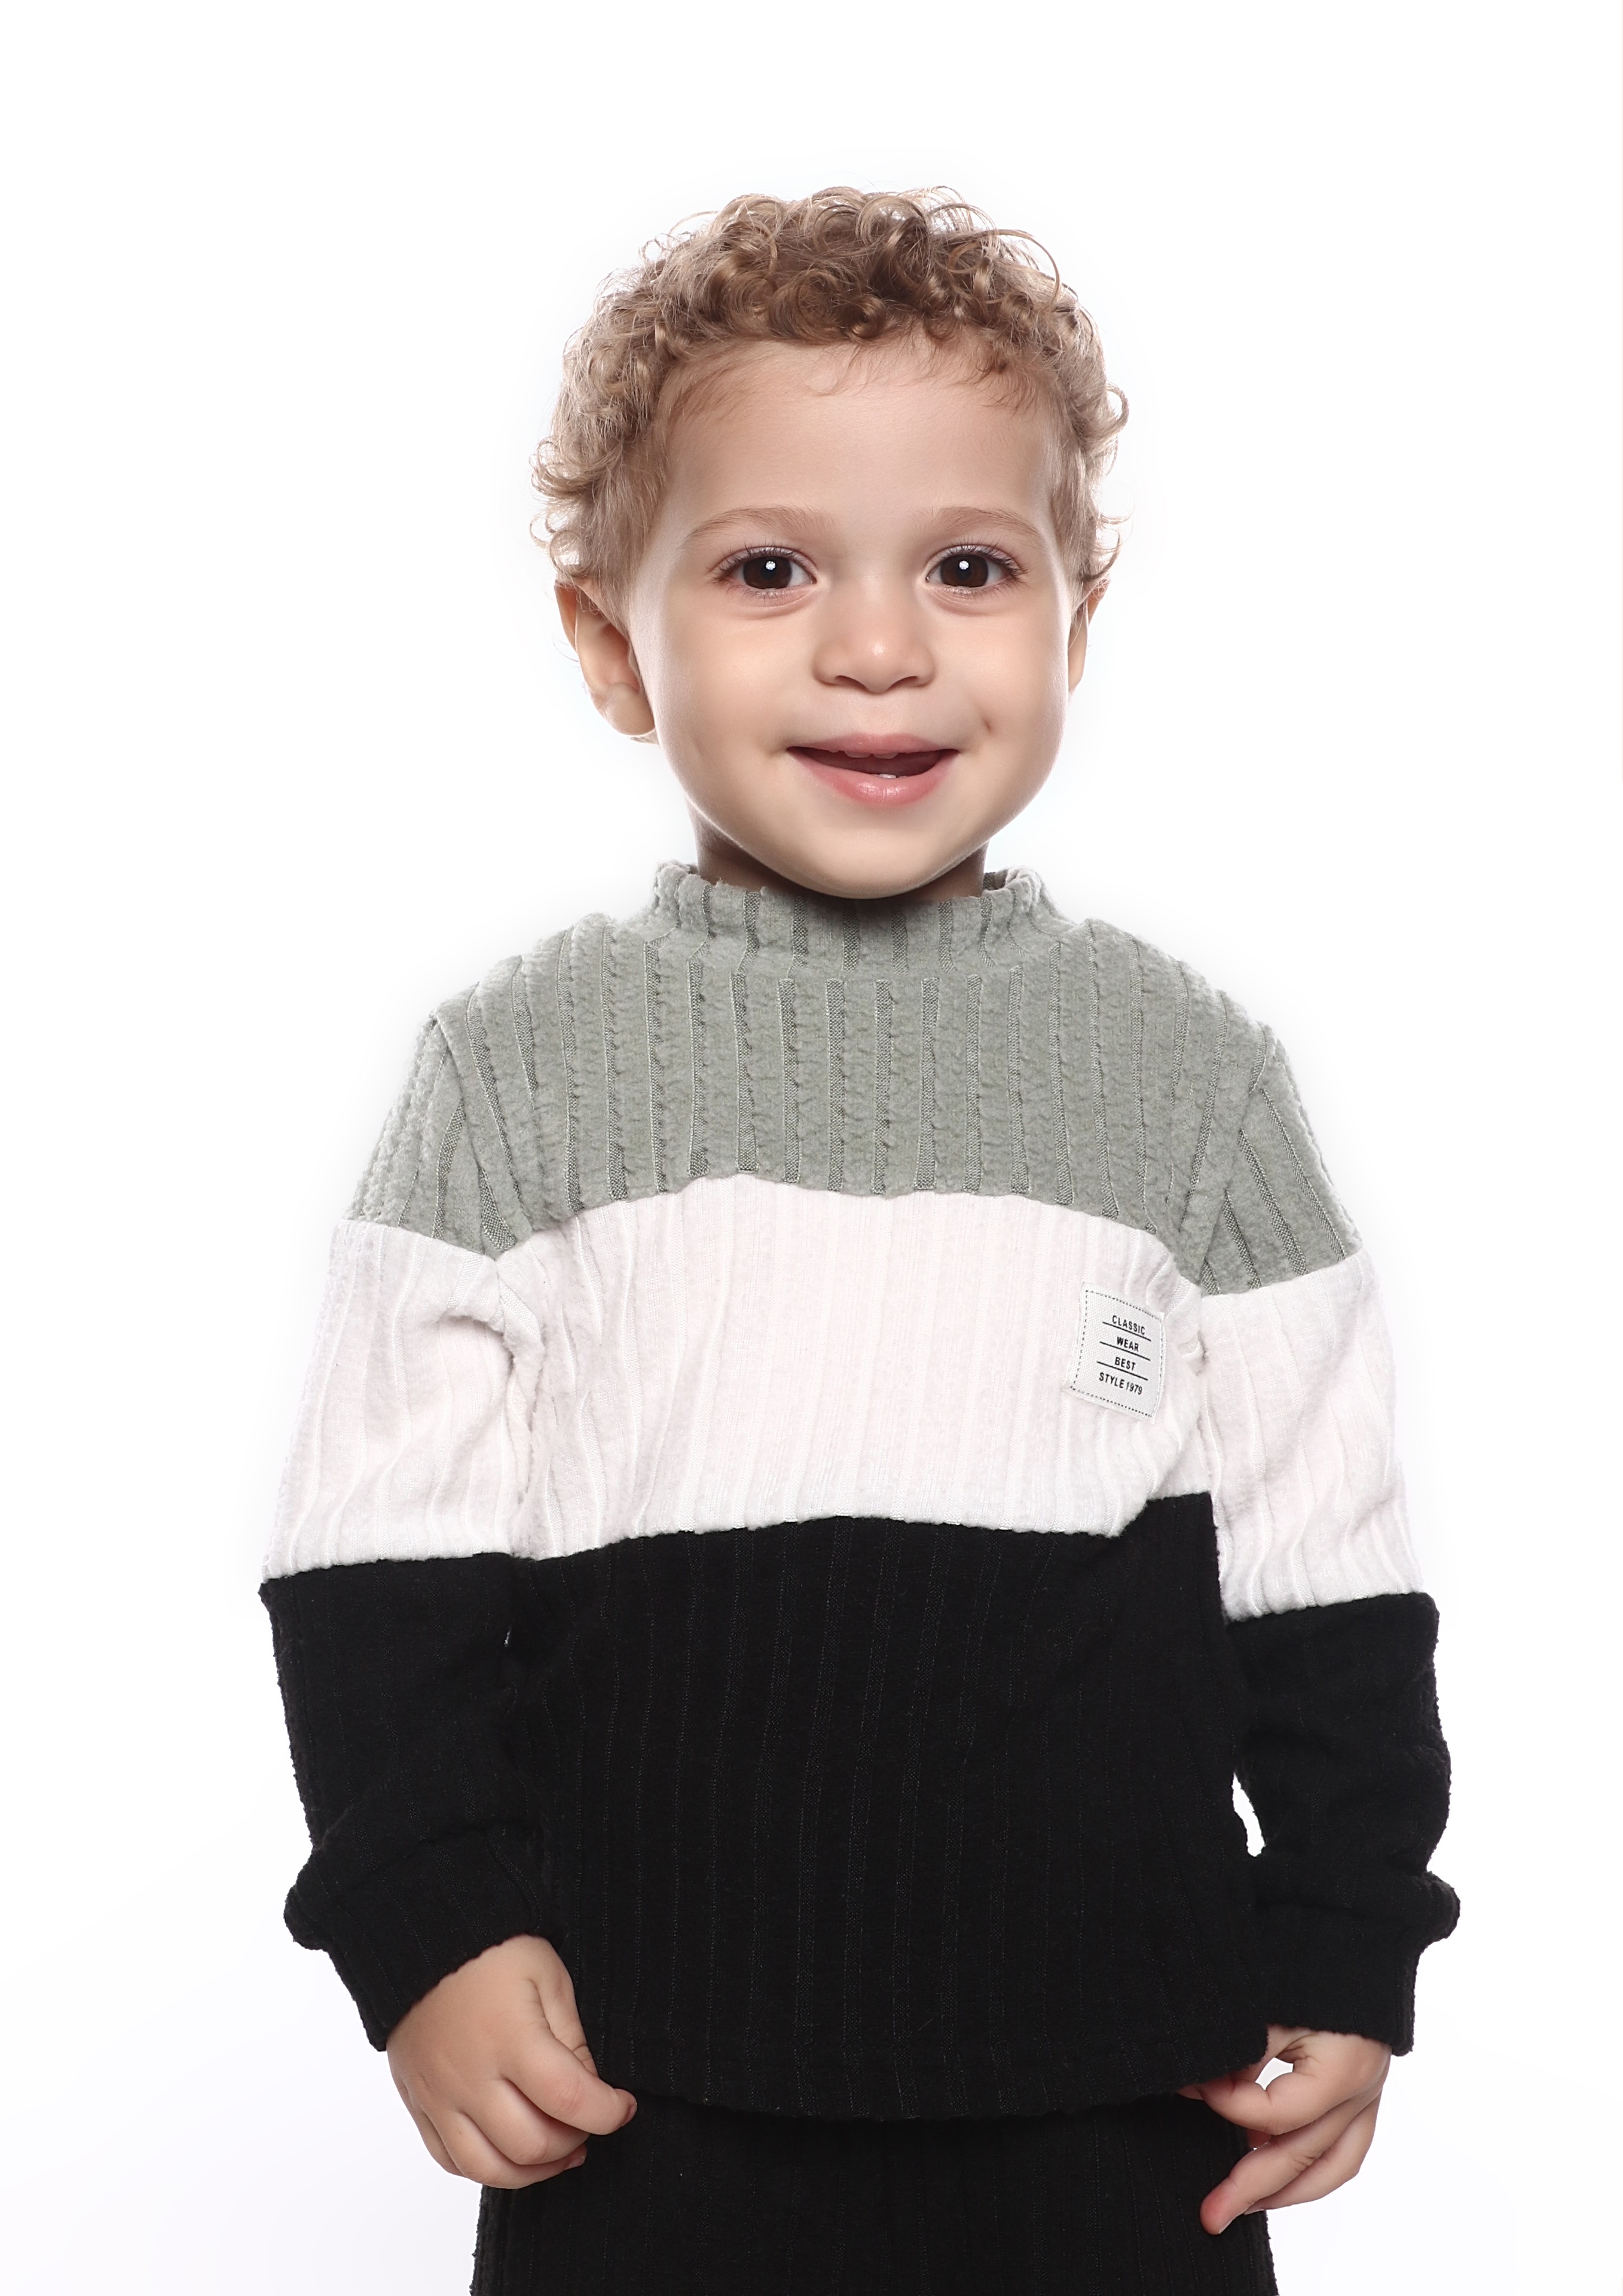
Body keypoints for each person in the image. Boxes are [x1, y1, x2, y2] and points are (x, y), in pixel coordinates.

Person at [263, 188, 1457, 2295]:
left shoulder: (1191, 1083)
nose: (879, 646)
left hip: (1121, 2098)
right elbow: (376, 1572)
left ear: (1074, 621)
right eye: (769, 568)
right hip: (645, 2095)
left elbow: (1325, 1571)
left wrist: (1351, 1933)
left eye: (968, 569)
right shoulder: (513, 1078)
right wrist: (430, 1929)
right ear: (609, 646)